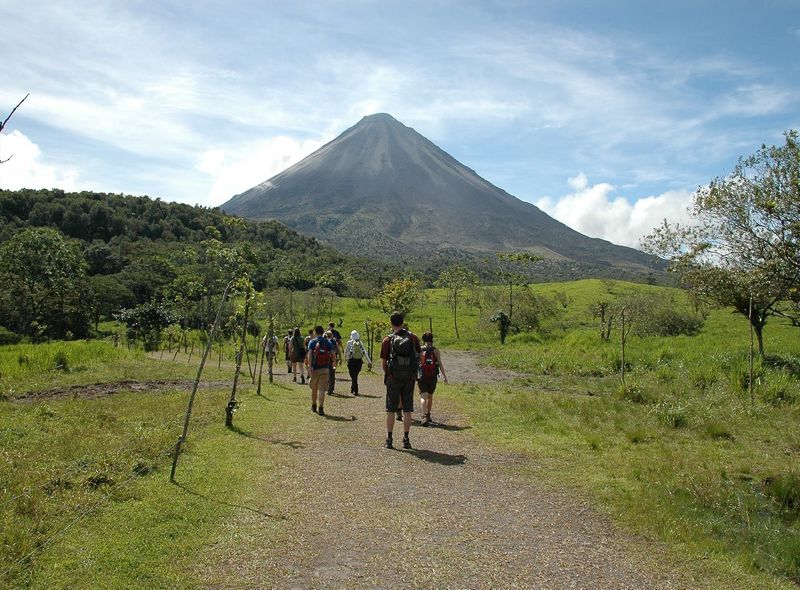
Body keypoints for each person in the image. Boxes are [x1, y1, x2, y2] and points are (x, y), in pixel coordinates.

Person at [380, 311, 421, 449]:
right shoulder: (413, 337)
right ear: (403, 322)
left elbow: (384, 363)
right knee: (407, 409)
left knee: (391, 409)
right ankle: (406, 439)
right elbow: (418, 357)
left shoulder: (388, 340)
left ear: (391, 323)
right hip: (409, 377)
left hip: (393, 377)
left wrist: (389, 374)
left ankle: (389, 439)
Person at [417, 331, 448, 426]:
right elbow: (440, 364)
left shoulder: (420, 350)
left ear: (423, 340)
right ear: (432, 340)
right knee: (430, 396)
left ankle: (423, 417)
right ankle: (428, 415)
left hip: (422, 376)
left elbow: (416, 363)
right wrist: (445, 377)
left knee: (423, 396)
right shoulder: (436, 351)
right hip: (432, 377)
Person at [307, 325, 335, 416]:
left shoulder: (312, 342)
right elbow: (333, 353)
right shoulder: (327, 342)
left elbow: (310, 354)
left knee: (314, 388)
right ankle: (321, 408)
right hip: (325, 368)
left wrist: (310, 366)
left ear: (315, 332)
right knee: (322, 389)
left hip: (315, 368)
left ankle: (314, 405)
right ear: (323, 331)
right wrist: (334, 362)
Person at [345, 330, 372, 396]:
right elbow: (365, 352)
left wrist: (346, 359)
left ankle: (355, 390)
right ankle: (353, 388)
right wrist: (369, 362)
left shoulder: (349, 342)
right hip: (359, 361)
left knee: (353, 376)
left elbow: (346, 352)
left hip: (351, 361)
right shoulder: (360, 342)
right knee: (355, 375)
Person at [325, 330, 338, 396]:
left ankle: (329, 390)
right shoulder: (335, 341)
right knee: (332, 374)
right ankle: (332, 388)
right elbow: (338, 350)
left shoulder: (327, 342)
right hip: (334, 359)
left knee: (328, 375)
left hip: (328, 360)